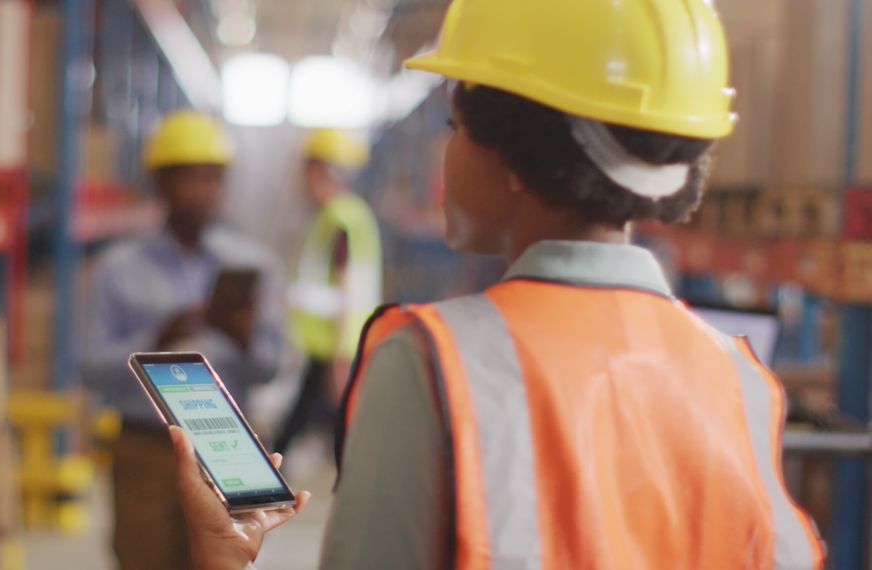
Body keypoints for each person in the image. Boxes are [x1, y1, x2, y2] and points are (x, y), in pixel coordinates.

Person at [169, 0, 828, 569]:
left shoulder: (431, 362)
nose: (442, 155)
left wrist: (220, 555)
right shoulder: (738, 378)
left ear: (512, 153)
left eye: (455, 128)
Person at [80, 110, 285, 570]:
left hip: (229, 445)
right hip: (147, 451)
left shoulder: (256, 267)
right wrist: (157, 339)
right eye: (188, 177)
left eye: (212, 178)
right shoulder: (118, 268)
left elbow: (271, 366)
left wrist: (244, 340)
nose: (201, 190)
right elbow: (90, 367)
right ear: (160, 182)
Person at [275, 128, 382, 455]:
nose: (300, 178)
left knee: (337, 420)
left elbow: (348, 288)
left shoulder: (341, 218)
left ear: (321, 171)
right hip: (326, 342)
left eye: (306, 168)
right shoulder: (336, 215)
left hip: (335, 344)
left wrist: (339, 355)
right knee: (317, 415)